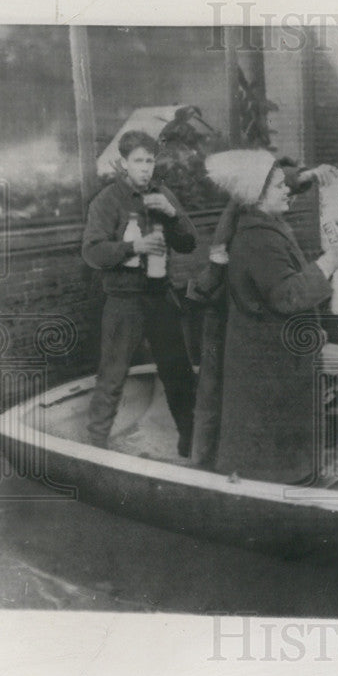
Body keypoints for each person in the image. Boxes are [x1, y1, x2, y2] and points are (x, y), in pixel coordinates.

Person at [204, 149, 338, 483]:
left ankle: (280, 482)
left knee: (268, 444)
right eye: (279, 187)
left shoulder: (263, 226)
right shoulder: (260, 238)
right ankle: (278, 492)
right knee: (272, 451)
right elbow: (287, 296)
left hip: (268, 355)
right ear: (256, 194)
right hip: (270, 361)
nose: (288, 191)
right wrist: (328, 263)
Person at [82, 130, 199, 454]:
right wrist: (134, 246)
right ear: (123, 163)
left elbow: (189, 244)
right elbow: (92, 252)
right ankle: (95, 450)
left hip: (160, 297)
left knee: (178, 373)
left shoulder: (163, 194)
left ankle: (191, 446)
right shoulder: (107, 201)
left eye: (150, 160)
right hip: (124, 301)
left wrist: (174, 215)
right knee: (112, 376)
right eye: (138, 161)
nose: (146, 168)